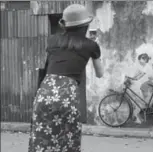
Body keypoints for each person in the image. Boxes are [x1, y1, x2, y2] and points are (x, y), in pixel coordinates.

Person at [28, 4, 104, 152]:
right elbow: (100, 74)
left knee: (42, 139)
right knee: (67, 139)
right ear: (86, 25)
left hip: (45, 93)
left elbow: (50, 64)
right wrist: (93, 48)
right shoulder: (91, 45)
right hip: (67, 96)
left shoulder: (52, 41)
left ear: (65, 25)